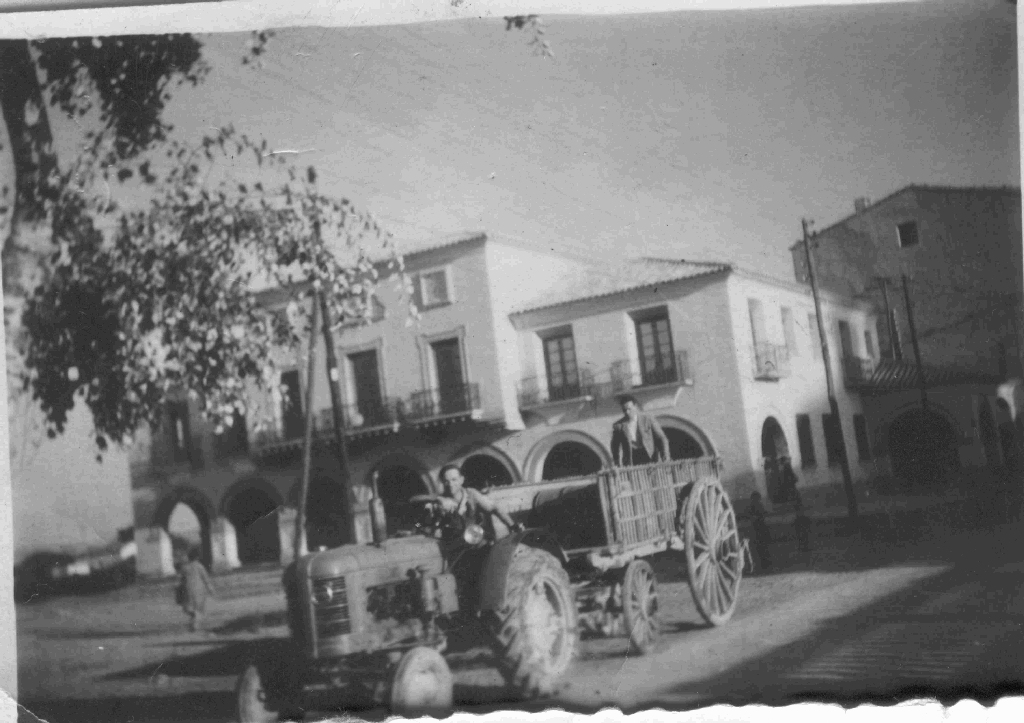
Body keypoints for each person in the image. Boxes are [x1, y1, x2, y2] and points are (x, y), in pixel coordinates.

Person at [436, 463, 523, 536]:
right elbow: (436, 527)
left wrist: (512, 525)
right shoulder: (440, 501)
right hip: (454, 542)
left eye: (454, 480)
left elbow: (494, 508)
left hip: (476, 537)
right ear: (442, 482)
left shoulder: (471, 494)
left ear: (461, 480)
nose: (450, 484)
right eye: (446, 481)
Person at [610, 395, 670, 467]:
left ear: (635, 406)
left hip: (650, 456)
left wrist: (665, 457)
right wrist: (617, 463)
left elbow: (661, 438)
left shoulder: (648, 419)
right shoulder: (618, 426)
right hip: (631, 460)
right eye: (624, 410)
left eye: (629, 409)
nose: (627, 412)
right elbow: (615, 446)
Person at [177, 549, 216, 633]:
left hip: (187, 590)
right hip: (199, 590)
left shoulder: (184, 567)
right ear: (197, 557)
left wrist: (179, 590)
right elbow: (205, 578)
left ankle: (194, 622)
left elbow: (179, 580)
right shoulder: (199, 566)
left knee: (189, 608)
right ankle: (195, 624)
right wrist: (211, 589)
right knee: (199, 609)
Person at [747, 491, 772, 571]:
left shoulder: (755, 506)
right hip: (759, 528)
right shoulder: (756, 506)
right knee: (762, 547)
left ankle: (765, 564)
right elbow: (758, 515)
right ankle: (765, 564)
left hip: (759, 528)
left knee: (762, 547)